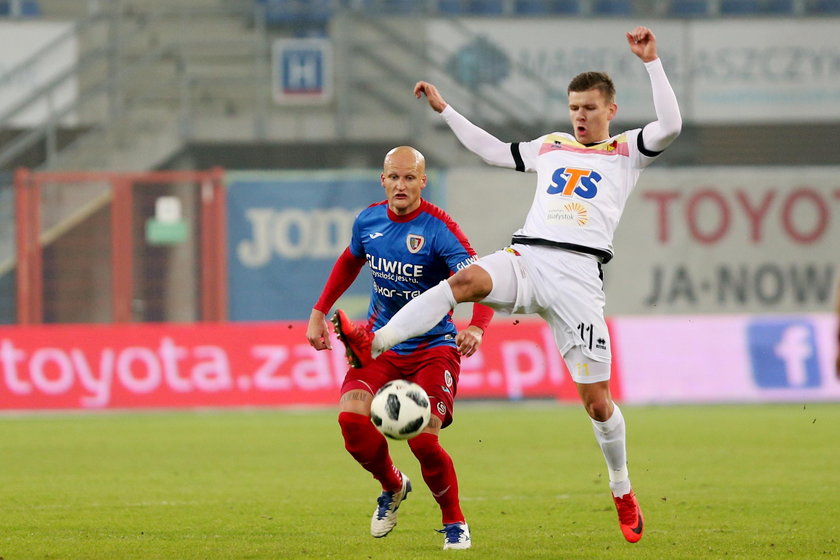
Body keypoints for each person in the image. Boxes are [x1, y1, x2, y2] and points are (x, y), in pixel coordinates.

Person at [332, 27, 682, 544]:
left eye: (589, 108)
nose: (579, 116)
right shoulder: (553, 146)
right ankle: (373, 340)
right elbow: (494, 150)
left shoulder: (627, 149)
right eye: (573, 107)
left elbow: (671, 126)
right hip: (530, 256)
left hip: (579, 279)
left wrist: (652, 62)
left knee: (597, 403)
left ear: (610, 109)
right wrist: (446, 110)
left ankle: (622, 488)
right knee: (465, 280)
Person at [306, 146, 493, 550]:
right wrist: (319, 311)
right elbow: (349, 261)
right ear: (383, 180)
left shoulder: (441, 230)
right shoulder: (368, 221)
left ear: (422, 181)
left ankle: (454, 521)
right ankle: (392, 485)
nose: (401, 185)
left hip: (433, 347)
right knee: (351, 423)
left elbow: (481, 279)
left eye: (410, 178)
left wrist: (477, 328)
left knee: (424, 441)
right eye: (394, 177)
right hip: (378, 344)